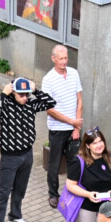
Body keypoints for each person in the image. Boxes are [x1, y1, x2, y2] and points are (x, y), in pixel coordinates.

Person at [0, 77, 55, 222]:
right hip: (9, 157)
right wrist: (3, 94)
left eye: (27, 94)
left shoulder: (30, 104)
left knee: (20, 189)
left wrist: (36, 90)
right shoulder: (5, 105)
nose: (25, 97)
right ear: (13, 92)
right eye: (21, 94)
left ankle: (15, 216)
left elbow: (51, 103)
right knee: (3, 193)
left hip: (27, 154)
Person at [41, 46, 83, 208]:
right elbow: (50, 110)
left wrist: (76, 127)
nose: (64, 62)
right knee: (54, 163)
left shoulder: (74, 73)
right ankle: (53, 194)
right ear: (53, 59)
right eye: (61, 59)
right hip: (57, 130)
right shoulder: (48, 80)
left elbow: (79, 100)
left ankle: (73, 191)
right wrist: (72, 122)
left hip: (73, 129)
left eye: (66, 58)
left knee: (75, 162)